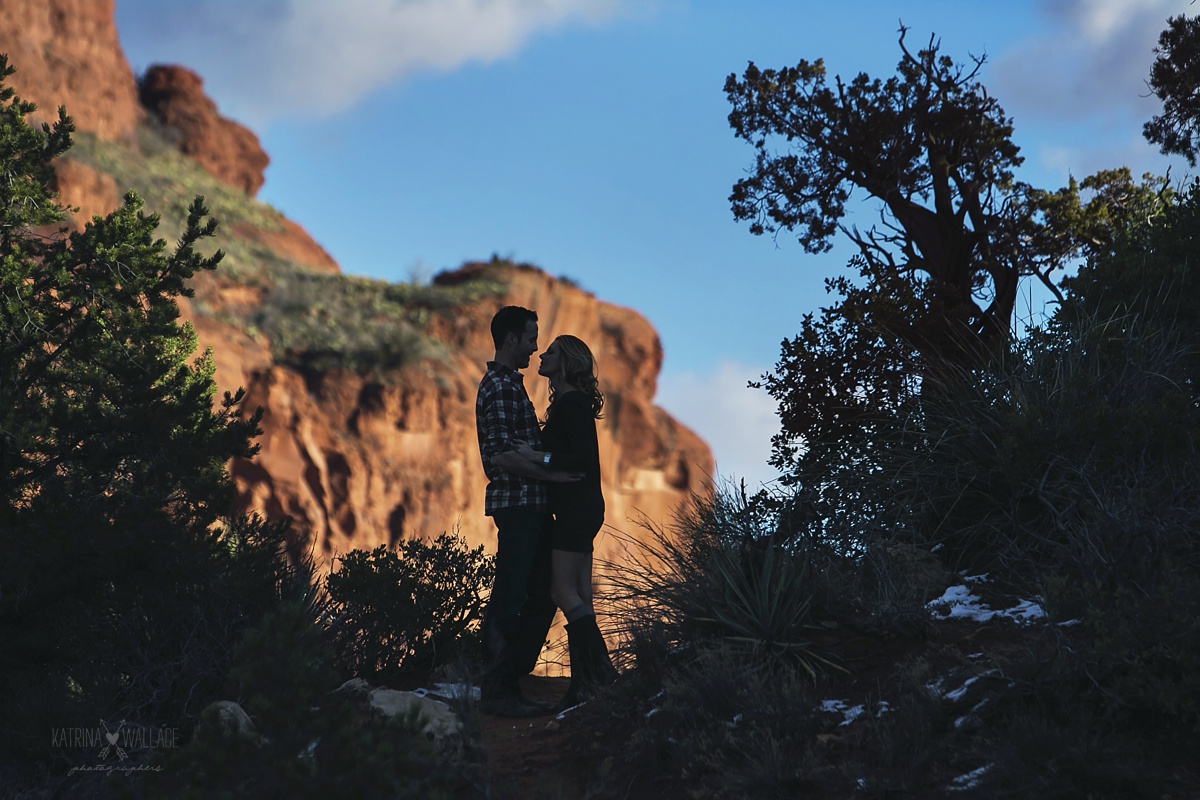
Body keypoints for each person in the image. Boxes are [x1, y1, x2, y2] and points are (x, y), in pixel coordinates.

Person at [475, 306, 579, 717]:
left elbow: (519, 451)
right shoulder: (499, 386)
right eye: (532, 338)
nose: (536, 348)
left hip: (529, 507)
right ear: (512, 339)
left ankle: (508, 679)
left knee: (541, 592)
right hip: (517, 506)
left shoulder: (510, 385)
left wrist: (539, 462)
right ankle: (498, 689)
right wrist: (553, 476)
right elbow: (500, 454)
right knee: (511, 595)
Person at [516, 334, 618, 710]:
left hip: (576, 509)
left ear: (567, 361)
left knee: (562, 592)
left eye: (552, 352)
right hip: (584, 507)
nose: (543, 355)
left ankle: (599, 674)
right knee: (580, 596)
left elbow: (579, 461)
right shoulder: (571, 403)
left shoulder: (571, 404)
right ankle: (586, 682)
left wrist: (535, 458)